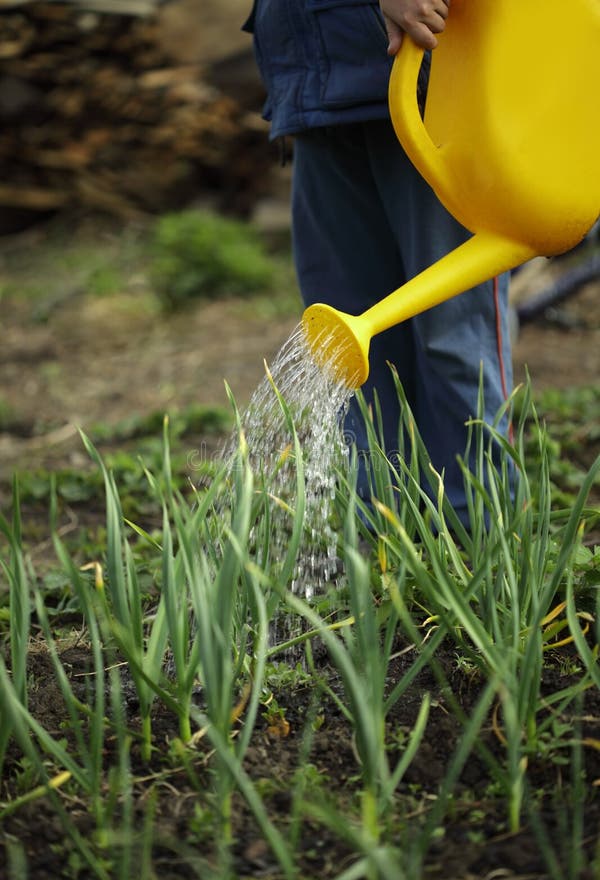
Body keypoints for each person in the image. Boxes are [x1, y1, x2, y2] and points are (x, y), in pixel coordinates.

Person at [243, 0, 513, 526]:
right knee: (348, 341)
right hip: (317, 87)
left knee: (450, 333)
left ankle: (478, 536)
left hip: (427, 91)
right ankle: (382, 531)